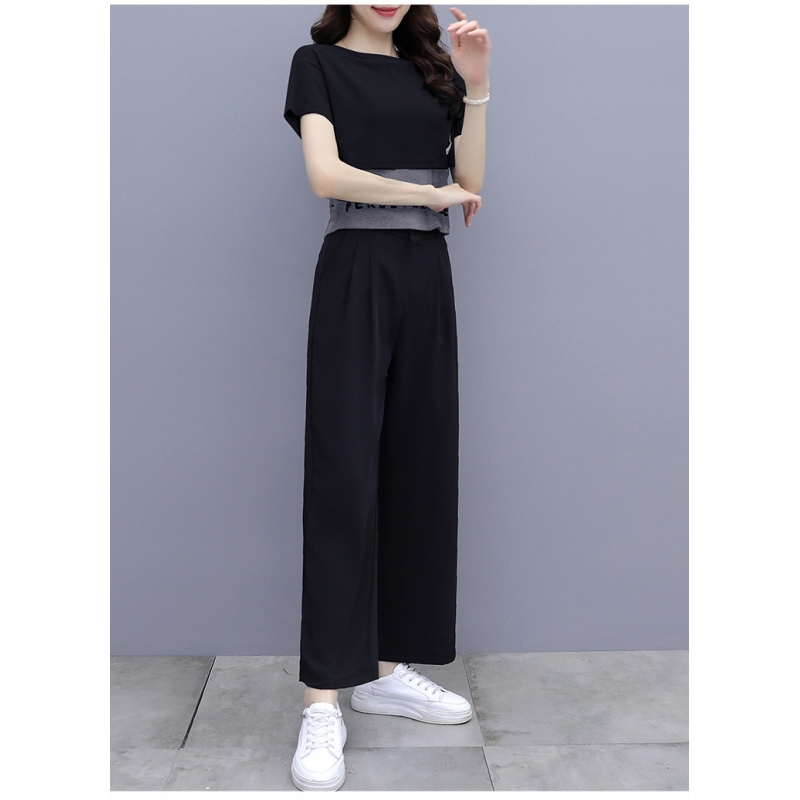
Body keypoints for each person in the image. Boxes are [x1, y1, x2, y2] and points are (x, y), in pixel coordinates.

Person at [283, 4, 490, 791]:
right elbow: (324, 175)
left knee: (418, 467)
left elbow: (470, 180)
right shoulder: (317, 64)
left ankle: (383, 670)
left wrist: (478, 85)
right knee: (342, 480)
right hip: (356, 268)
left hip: (425, 275)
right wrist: (427, 198)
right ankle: (321, 701)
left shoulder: (432, 71)